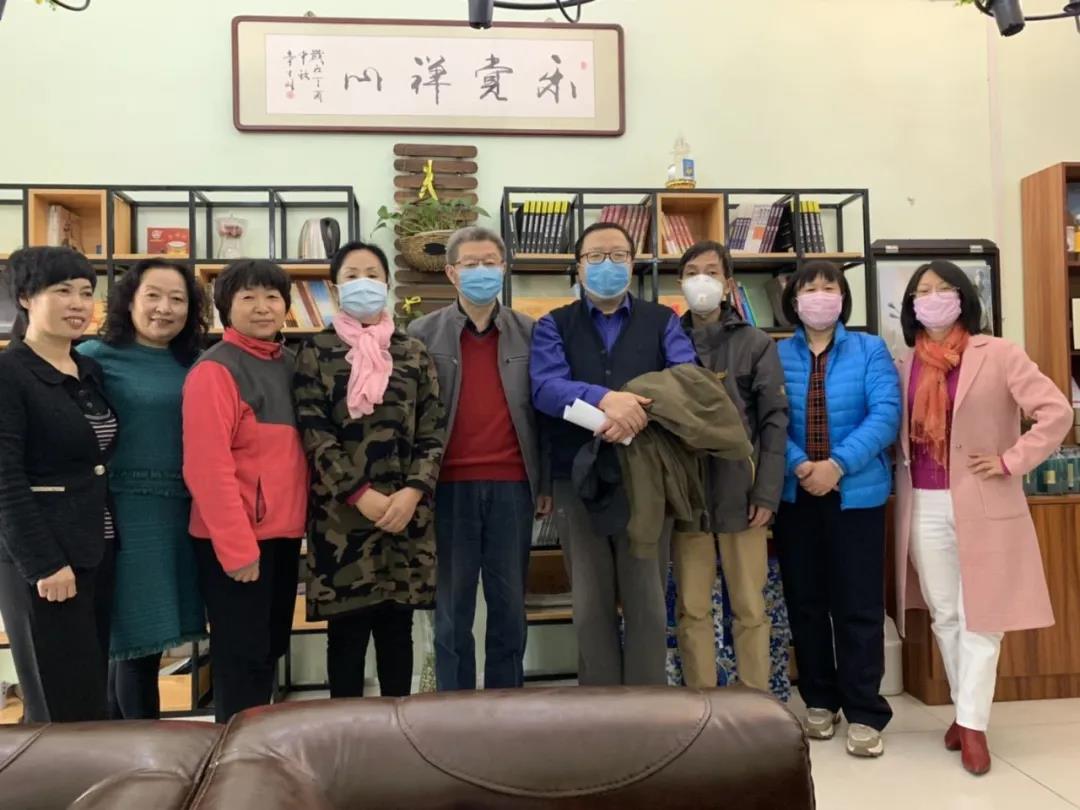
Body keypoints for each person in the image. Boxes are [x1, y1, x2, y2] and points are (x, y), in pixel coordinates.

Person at [893, 261, 1071, 776]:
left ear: (963, 298)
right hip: (923, 502)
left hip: (985, 502)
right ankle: (965, 712)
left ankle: (972, 726)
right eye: (922, 291)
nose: (932, 298)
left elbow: (1056, 411)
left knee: (983, 617)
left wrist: (1011, 460)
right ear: (912, 306)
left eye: (943, 289)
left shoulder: (1000, 353)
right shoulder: (904, 363)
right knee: (946, 614)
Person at [530, 221, 699, 686]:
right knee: (590, 605)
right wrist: (606, 402)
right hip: (576, 478)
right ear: (579, 266)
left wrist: (632, 413)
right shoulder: (553, 324)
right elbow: (546, 387)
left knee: (647, 602)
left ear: (633, 262)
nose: (607, 264)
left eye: (618, 255)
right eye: (595, 256)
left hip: (648, 477)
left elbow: (685, 381)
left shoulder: (663, 320)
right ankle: (600, 710)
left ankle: (645, 708)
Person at [295, 242, 446, 698]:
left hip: (405, 514)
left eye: (373, 273)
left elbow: (433, 431)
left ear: (387, 283)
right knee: (346, 635)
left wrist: (414, 491)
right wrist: (359, 493)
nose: (364, 282)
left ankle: (399, 730)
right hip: (341, 516)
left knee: (397, 631)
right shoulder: (315, 351)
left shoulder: (413, 352)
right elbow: (314, 432)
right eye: (352, 274)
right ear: (336, 287)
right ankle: (347, 732)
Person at [408, 226, 552, 691]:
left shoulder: (531, 332)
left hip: (514, 486)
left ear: (504, 267)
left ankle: (507, 705)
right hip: (447, 488)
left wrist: (545, 483)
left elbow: (545, 413)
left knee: (509, 608)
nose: (481, 271)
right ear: (452, 273)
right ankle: (455, 709)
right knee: (452, 611)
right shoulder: (421, 333)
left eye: (490, 262)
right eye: (470, 264)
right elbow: (412, 416)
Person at [773, 260, 900, 758]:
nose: (820, 296)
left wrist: (838, 465)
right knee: (806, 603)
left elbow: (885, 414)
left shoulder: (870, 349)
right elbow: (766, 420)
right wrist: (801, 464)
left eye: (830, 287)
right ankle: (820, 701)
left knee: (858, 605)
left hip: (857, 495)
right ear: (794, 301)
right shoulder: (776, 353)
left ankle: (865, 710)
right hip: (797, 494)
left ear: (843, 298)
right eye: (810, 288)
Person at [77, 259, 209, 720]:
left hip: (184, 511)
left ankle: (124, 740)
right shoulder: (93, 357)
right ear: (129, 300)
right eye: (153, 295)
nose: (164, 308)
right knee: (136, 641)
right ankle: (141, 746)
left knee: (149, 642)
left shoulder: (196, 361)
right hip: (124, 512)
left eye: (177, 299)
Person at [182, 259, 308, 723]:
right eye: (248, 297)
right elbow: (206, 467)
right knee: (241, 659)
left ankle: (259, 747)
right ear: (225, 307)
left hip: (282, 536)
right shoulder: (216, 370)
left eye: (272, 297)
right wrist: (237, 550)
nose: (262, 307)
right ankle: (234, 754)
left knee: (269, 649)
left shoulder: (291, 364)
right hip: (237, 542)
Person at [0, 247, 117, 722]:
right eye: (62, 291)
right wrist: (45, 563)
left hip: (97, 551)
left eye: (86, 293)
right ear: (26, 297)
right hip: (46, 563)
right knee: (59, 707)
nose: (78, 304)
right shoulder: (9, 374)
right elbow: (4, 479)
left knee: (90, 695)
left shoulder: (87, 370)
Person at [673, 241, 788, 691]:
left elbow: (774, 421)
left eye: (711, 272)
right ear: (680, 283)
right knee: (692, 609)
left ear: (728, 284)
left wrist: (767, 493)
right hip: (687, 495)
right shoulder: (668, 341)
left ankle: (756, 705)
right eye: (692, 273)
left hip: (743, 493)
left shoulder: (756, 343)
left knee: (749, 606)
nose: (701, 280)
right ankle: (702, 705)